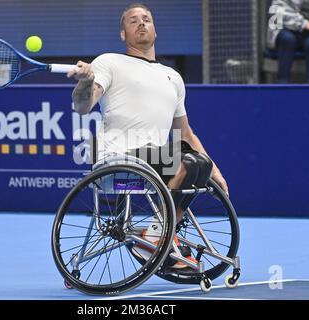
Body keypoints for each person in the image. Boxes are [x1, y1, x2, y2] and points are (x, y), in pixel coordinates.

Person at [67, 3, 228, 268]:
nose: (141, 23)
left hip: (155, 163)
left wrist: (215, 171)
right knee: (189, 161)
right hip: (117, 161)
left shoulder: (172, 77)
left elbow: (185, 133)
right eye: (133, 21)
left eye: (146, 19)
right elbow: (82, 107)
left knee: (199, 163)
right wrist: (85, 83)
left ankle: (156, 235)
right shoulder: (109, 61)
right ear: (123, 34)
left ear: (155, 29)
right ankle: (158, 238)